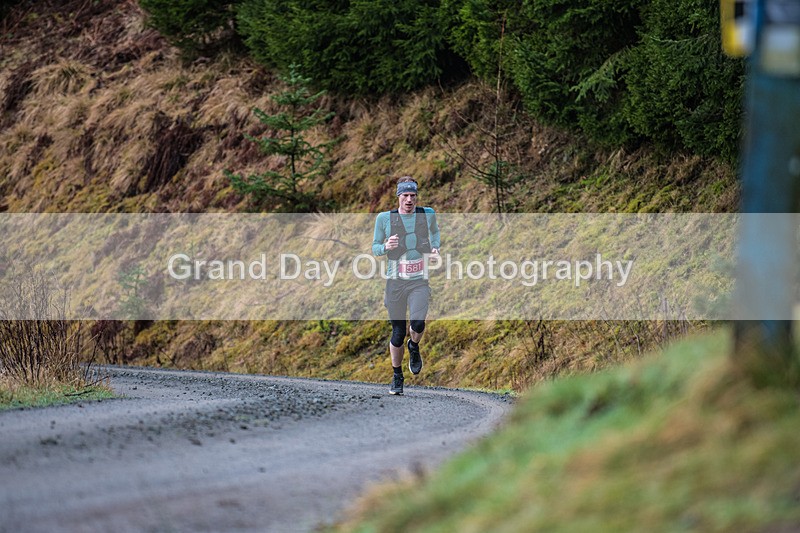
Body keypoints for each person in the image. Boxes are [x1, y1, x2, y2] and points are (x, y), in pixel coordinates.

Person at [372, 176, 440, 395]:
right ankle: (397, 376)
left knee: (418, 323)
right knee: (398, 332)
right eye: (405, 195)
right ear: (398, 197)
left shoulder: (427, 214)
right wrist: (385, 246)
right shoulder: (384, 218)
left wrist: (435, 248)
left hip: (419, 281)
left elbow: (435, 233)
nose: (409, 200)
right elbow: (374, 247)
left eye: (413, 195)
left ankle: (414, 346)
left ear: (416, 196)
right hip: (395, 283)